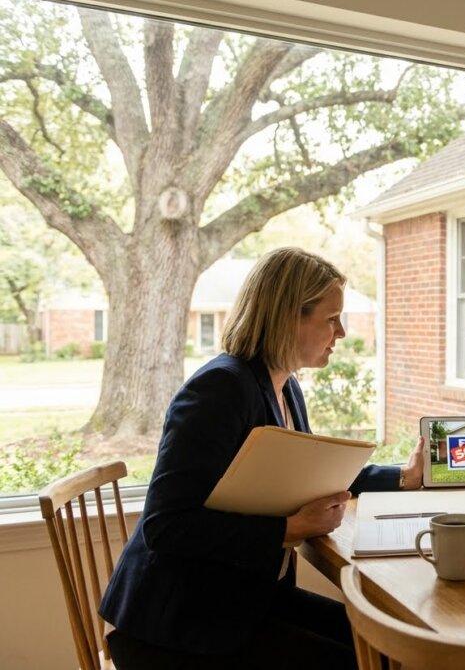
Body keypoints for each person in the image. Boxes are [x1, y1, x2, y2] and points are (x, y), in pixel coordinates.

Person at [100, 247, 425, 669]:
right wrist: (289, 527)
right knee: (365, 660)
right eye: (331, 319)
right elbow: (166, 526)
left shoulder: (284, 386)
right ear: (289, 317)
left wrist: (403, 477)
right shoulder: (219, 390)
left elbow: (312, 474)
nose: (341, 332)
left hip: (244, 600)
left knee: (387, 650)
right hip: (178, 624)